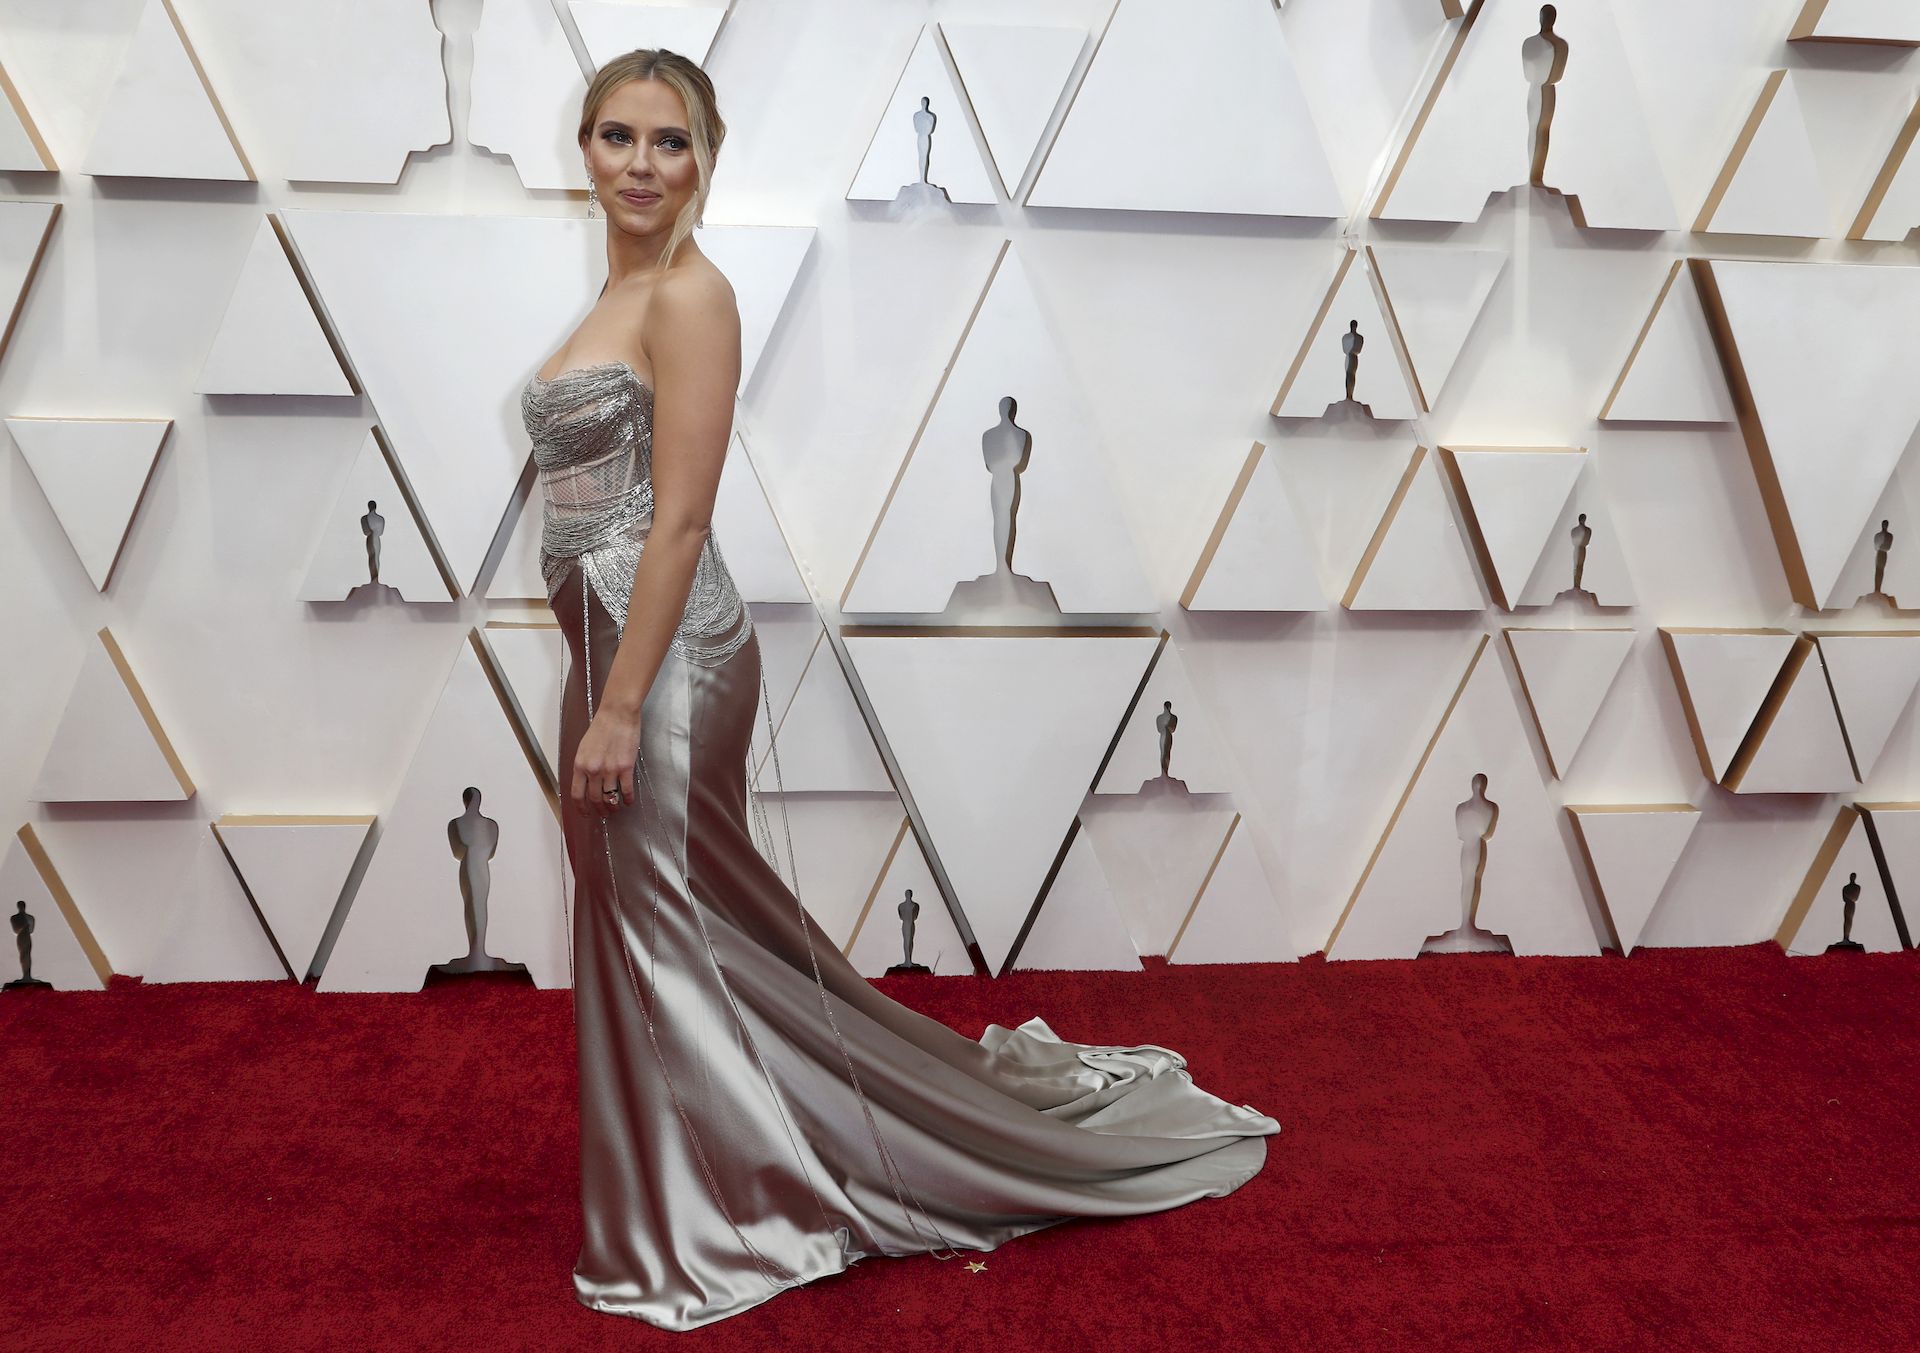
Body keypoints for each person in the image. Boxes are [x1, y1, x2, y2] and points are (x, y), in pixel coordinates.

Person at [529, 48, 1282, 1332]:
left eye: (670, 142)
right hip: (611, 656)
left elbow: (683, 520)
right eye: (617, 137)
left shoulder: (692, 299)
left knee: (664, 930)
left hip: (653, 665)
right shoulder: (624, 287)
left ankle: (728, 1208)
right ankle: (713, 1175)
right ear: (583, 148)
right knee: (681, 929)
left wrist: (616, 706)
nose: (641, 166)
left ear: (709, 157)